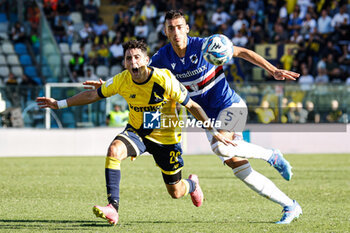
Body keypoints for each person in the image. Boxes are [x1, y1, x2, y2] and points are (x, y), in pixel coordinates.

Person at [37, 40, 234, 226]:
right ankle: (112, 208)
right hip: (137, 132)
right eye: (129, 58)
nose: (133, 61)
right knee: (114, 150)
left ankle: (191, 184)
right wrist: (59, 104)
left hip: (167, 138)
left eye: (137, 57)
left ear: (147, 60)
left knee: (175, 191)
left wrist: (213, 129)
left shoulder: (164, 79)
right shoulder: (122, 80)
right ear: (124, 63)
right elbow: (92, 95)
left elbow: (191, 105)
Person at [149, 10, 302, 224]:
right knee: (239, 168)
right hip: (207, 119)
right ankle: (290, 205)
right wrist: (109, 85)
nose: (176, 32)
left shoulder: (205, 45)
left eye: (179, 26)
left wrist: (272, 69)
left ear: (187, 28)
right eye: (171, 28)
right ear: (165, 31)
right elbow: (138, 75)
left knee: (221, 147)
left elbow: (240, 52)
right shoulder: (162, 58)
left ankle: (271, 156)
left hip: (232, 106)